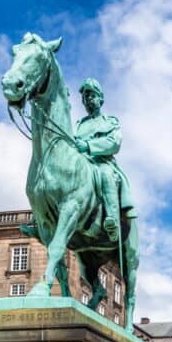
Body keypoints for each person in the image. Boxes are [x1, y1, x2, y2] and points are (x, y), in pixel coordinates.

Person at [72, 78, 136, 242]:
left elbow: (114, 142)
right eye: (85, 97)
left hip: (101, 163)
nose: (88, 99)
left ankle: (112, 220)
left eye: (91, 95)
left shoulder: (110, 121)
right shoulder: (79, 124)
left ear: (101, 99)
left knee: (106, 175)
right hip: (80, 163)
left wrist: (88, 145)